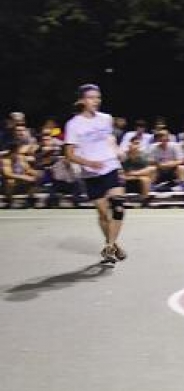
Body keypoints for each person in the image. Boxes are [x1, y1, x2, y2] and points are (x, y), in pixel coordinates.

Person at [63, 84, 129, 265]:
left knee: (118, 206)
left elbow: (109, 139)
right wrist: (89, 163)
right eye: (91, 97)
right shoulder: (73, 124)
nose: (96, 100)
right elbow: (69, 154)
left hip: (110, 166)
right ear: (82, 100)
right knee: (102, 214)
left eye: (98, 97)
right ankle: (114, 245)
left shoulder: (106, 118)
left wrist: (117, 152)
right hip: (91, 173)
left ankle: (109, 245)